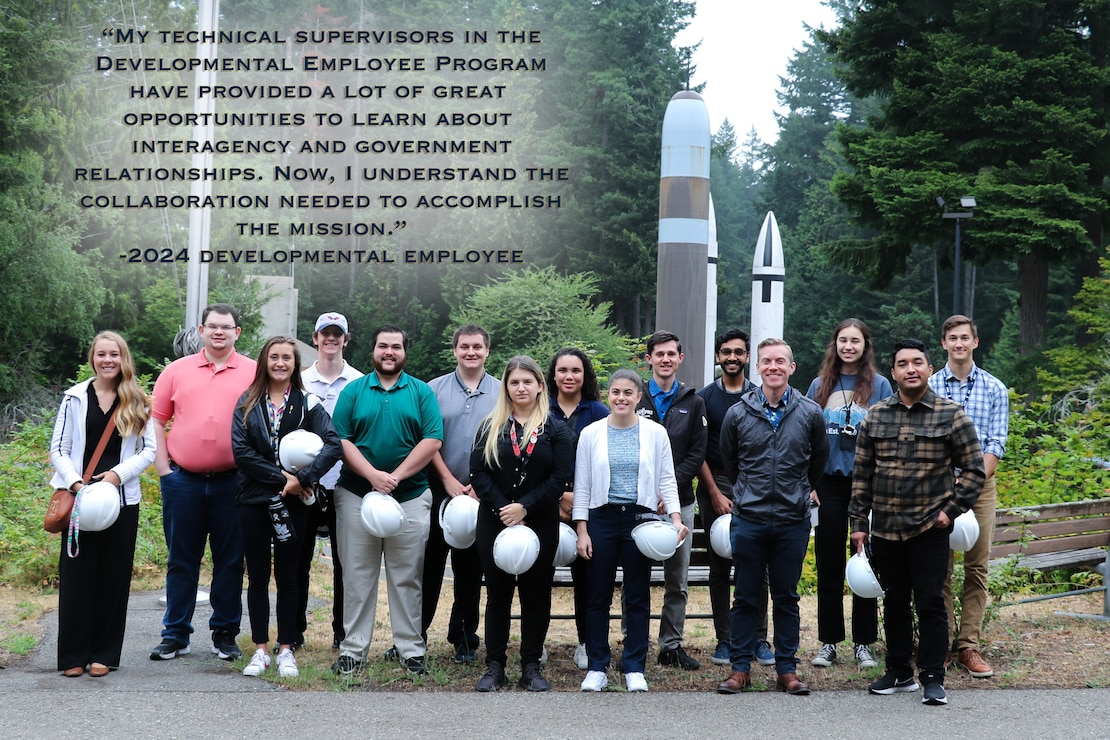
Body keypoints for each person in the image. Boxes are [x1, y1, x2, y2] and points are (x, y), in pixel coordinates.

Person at [850, 338, 985, 706]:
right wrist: (858, 522)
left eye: (918, 363)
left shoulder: (950, 414)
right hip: (885, 528)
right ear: (892, 372)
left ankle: (931, 676)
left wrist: (950, 512)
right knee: (894, 602)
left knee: (929, 603)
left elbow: (974, 471)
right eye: (903, 364)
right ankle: (898, 671)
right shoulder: (876, 416)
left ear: (928, 368)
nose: (911, 369)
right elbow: (861, 474)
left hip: (930, 528)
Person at [717, 338, 827, 696]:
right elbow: (730, 462)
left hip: (792, 519)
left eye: (781, 361)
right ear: (758, 367)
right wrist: (749, 493)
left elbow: (818, 463)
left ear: (792, 368)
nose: (774, 367)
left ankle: (787, 669)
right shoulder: (738, 413)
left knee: (786, 596)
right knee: (746, 595)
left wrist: (798, 490)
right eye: (767, 361)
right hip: (749, 518)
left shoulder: (810, 412)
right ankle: (740, 668)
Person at [330, 324, 443, 675]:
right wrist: (372, 476)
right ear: (373, 351)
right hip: (356, 495)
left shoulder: (422, 392)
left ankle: (410, 650)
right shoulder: (353, 391)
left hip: (409, 496)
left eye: (396, 346)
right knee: (357, 574)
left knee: (407, 575)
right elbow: (341, 440)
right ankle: (353, 651)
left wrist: (395, 477)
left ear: (405, 352)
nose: (389, 352)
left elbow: (432, 440)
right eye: (383, 346)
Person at [150, 303, 256, 662]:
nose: (219, 332)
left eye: (226, 327)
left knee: (230, 561)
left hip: (234, 483)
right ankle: (175, 634)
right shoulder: (177, 371)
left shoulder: (253, 372)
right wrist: (163, 467)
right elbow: (157, 419)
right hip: (183, 481)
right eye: (212, 326)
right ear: (201, 330)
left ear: (237, 332)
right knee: (182, 559)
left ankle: (224, 633)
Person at [232, 336, 342, 679]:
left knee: (290, 575)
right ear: (264, 361)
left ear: (296, 365)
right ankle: (261, 648)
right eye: (274, 357)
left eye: (287, 358)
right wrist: (282, 478)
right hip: (253, 499)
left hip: (295, 502)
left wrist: (303, 478)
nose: (280, 363)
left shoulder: (308, 402)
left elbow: (333, 445)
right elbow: (242, 452)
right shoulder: (246, 402)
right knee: (259, 575)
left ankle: (286, 648)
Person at [49, 332, 156, 677]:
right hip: (80, 501)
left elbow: (149, 451)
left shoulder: (138, 399)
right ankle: (72, 656)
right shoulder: (74, 398)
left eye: (114, 354)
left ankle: (104, 654)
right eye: (101, 354)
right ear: (92, 358)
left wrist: (116, 476)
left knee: (113, 577)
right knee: (77, 577)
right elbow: (58, 449)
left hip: (121, 502)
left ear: (123, 358)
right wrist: (76, 483)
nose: (108, 360)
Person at [573, 369, 687, 693]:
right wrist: (582, 530)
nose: (621, 398)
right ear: (607, 396)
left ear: (639, 397)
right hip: (601, 520)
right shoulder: (591, 434)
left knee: (637, 595)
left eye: (628, 393)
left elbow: (667, 479)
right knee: (597, 595)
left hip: (641, 520)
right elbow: (582, 485)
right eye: (615, 392)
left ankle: (634, 665)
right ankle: (597, 665)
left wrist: (676, 519)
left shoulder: (655, 433)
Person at [470, 356, 573, 692]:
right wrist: (504, 508)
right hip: (495, 520)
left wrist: (524, 507)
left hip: (540, 521)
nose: (521, 387)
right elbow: (478, 474)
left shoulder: (556, 429)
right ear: (506, 387)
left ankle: (530, 666)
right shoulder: (490, 426)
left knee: (535, 595)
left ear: (540, 386)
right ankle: (495, 666)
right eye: (514, 382)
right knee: (497, 595)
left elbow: (559, 479)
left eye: (527, 381)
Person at [806, 319, 892, 670]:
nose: (848, 347)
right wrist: (809, 483)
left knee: (865, 563)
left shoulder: (881, 385)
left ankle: (864, 643)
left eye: (855, 341)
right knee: (828, 564)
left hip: (865, 484)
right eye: (843, 340)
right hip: (827, 484)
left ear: (865, 345)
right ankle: (829, 642)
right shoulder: (819, 384)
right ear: (835, 344)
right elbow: (808, 437)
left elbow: (887, 435)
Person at [927, 315, 1009, 678]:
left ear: (976, 342)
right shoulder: (928, 386)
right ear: (943, 343)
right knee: (938, 567)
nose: (959, 344)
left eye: (965, 338)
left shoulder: (995, 388)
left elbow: (996, 442)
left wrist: (971, 481)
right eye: (952, 338)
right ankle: (940, 644)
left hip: (980, 485)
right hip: (938, 485)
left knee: (977, 566)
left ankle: (969, 646)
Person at [422, 325, 499, 663]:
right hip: (440, 488)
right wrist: (448, 482)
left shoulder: (501, 391)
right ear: (454, 350)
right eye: (465, 346)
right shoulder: (432, 389)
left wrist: (481, 487)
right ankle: (415, 636)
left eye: (477, 347)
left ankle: (464, 636)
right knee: (429, 566)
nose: (471, 352)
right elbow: (427, 438)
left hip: (482, 493)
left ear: (487, 351)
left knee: (471, 569)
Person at [695, 329, 771, 668]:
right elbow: (697, 451)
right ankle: (724, 639)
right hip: (716, 485)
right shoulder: (703, 399)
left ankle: (759, 638)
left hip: (755, 488)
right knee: (719, 564)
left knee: (757, 564)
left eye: (739, 352)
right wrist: (714, 493)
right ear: (717, 356)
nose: (732, 358)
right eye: (726, 352)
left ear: (747, 359)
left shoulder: (760, 397)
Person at [635, 330, 707, 670]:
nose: (665, 359)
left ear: (680, 359)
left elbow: (696, 453)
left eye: (671, 354)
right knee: (635, 577)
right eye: (658, 354)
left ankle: (671, 646)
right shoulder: (633, 399)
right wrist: (652, 492)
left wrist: (668, 491)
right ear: (648, 358)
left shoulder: (694, 402)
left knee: (677, 579)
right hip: (639, 505)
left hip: (680, 503)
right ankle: (632, 642)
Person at [298, 312, 363, 651]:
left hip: (345, 483)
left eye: (338, 334)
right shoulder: (300, 381)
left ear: (346, 340)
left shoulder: (359, 382)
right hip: (307, 483)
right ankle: (295, 631)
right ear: (315, 338)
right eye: (325, 334)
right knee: (298, 559)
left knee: (345, 563)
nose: (331, 339)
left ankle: (342, 632)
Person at [547, 346, 610, 669]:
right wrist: (558, 497)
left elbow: (605, 465)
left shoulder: (599, 412)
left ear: (585, 375)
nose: (569, 376)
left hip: (588, 510)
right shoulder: (540, 411)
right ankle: (536, 642)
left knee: (589, 579)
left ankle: (587, 643)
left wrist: (578, 500)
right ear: (553, 375)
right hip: (546, 506)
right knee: (538, 576)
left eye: (575, 371)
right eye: (562, 370)